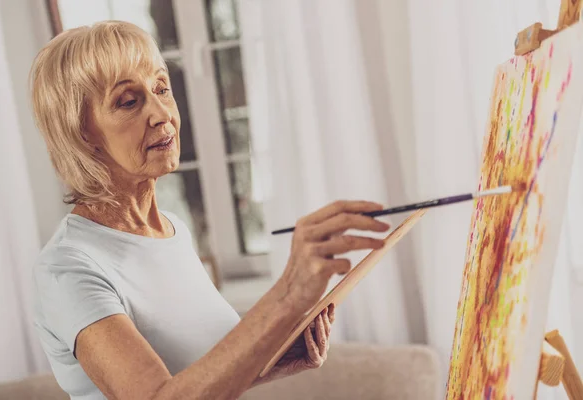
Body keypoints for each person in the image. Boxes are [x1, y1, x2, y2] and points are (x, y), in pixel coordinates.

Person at [29, 20, 391, 400]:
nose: (161, 113)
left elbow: (195, 378)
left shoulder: (173, 231)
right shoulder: (68, 268)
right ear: (81, 132)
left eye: (161, 89)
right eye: (129, 101)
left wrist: (277, 357)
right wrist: (287, 296)